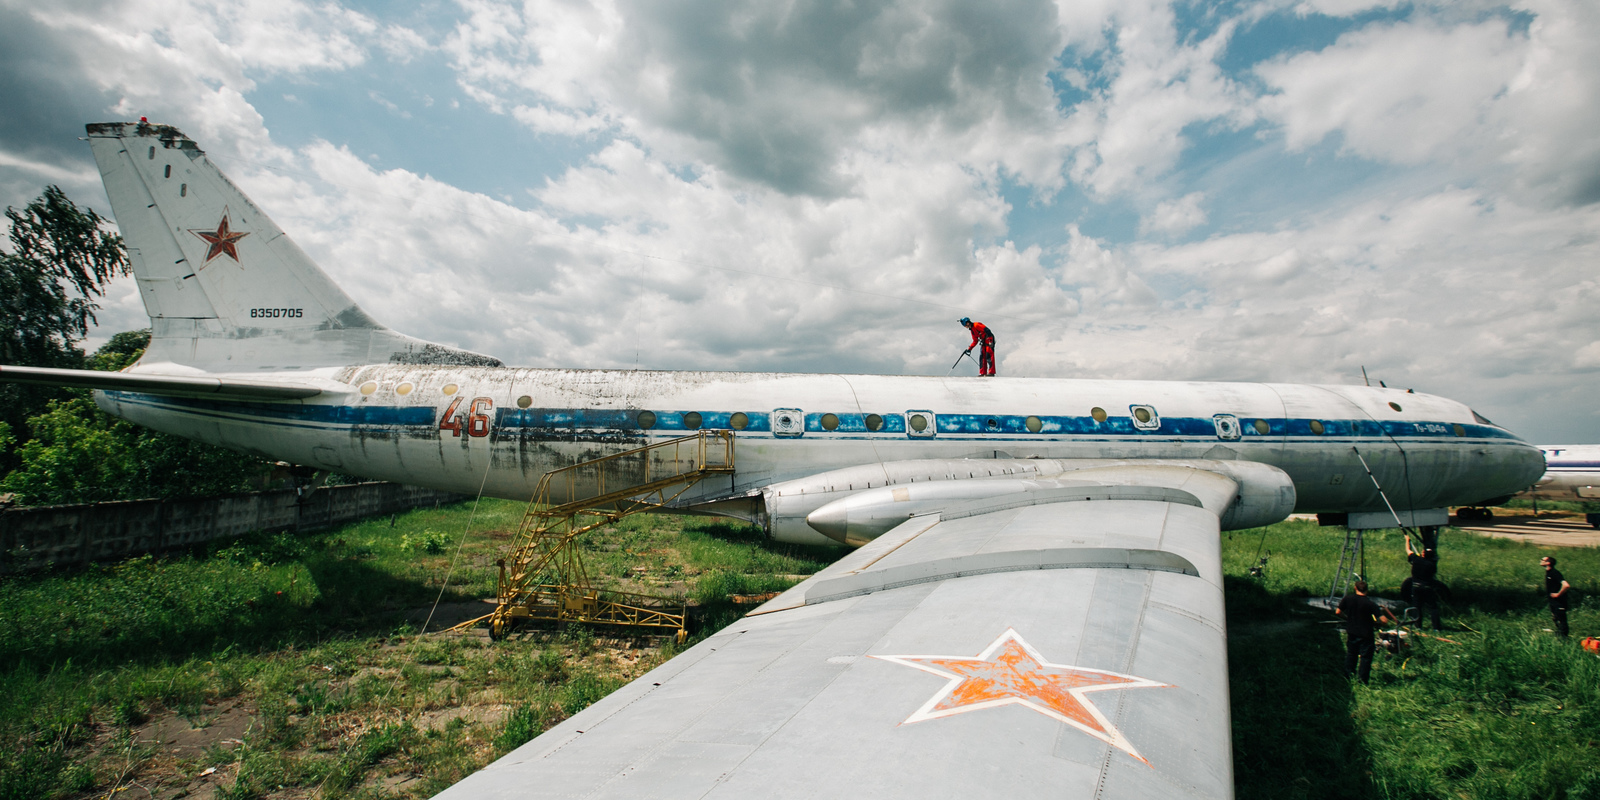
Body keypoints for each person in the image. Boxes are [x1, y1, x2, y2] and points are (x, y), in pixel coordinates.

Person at [1336, 580, 1392, 684]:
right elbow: (1384, 620)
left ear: (1355, 588)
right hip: (1366, 634)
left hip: (1352, 631)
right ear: (1367, 590)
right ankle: (1362, 680)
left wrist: (1347, 618)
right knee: (1365, 658)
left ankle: (1348, 676)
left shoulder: (1348, 599)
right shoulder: (1370, 604)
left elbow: (1338, 612)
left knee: (1351, 654)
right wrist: (1376, 624)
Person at [1405, 533, 1442, 630]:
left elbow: (1408, 550)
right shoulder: (1432, 565)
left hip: (1416, 587)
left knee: (1417, 607)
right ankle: (1436, 628)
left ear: (1423, 554)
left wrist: (1407, 540)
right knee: (1433, 608)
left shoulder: (1416, 560)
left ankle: (1418, 626)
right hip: (1428, 588)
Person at [1542, 555, 1571, 638]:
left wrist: (1558, 594)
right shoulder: (1548, 573)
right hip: (1553, 602)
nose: (1540, 561)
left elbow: (1566, 585)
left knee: (1562, 620)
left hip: (1559, 602)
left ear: (1548, 562)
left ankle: (1564, 639)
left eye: (1542, 560)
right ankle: (1559, 635)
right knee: (1555, 618)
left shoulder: (1555, 573)